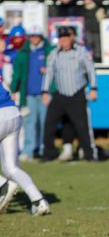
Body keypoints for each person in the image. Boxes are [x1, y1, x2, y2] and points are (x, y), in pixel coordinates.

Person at [0, 57, 50, 216]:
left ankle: (3, 185)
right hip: (13, 113)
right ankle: (39, 201)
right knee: (11, 167)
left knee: (9, 171)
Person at [41, 26, 97, 161]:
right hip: (60, 94)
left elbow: (91, 70)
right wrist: (45, 91)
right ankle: (49, 153)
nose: (64, 41)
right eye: (62, 38)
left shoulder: (80, 51)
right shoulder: (55, 53)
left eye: (66, 38)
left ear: (71, 38)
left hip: (76, 93)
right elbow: (49, 73)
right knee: (49, 124)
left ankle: (88, 154)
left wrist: (94, 88)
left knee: (81, 126)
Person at [10, 25, 54, 161]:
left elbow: (55, 71)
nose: (34, 39)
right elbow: (17, 73)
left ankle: (42, 148)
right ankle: (29, 149)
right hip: (28, 93)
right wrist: (13, 90)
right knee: (29, 122)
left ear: (41, 36)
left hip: (44, 93)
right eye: (32, 36)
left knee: (44, 121)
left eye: (37, 36)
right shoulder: (24, 53)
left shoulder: (49, 51)